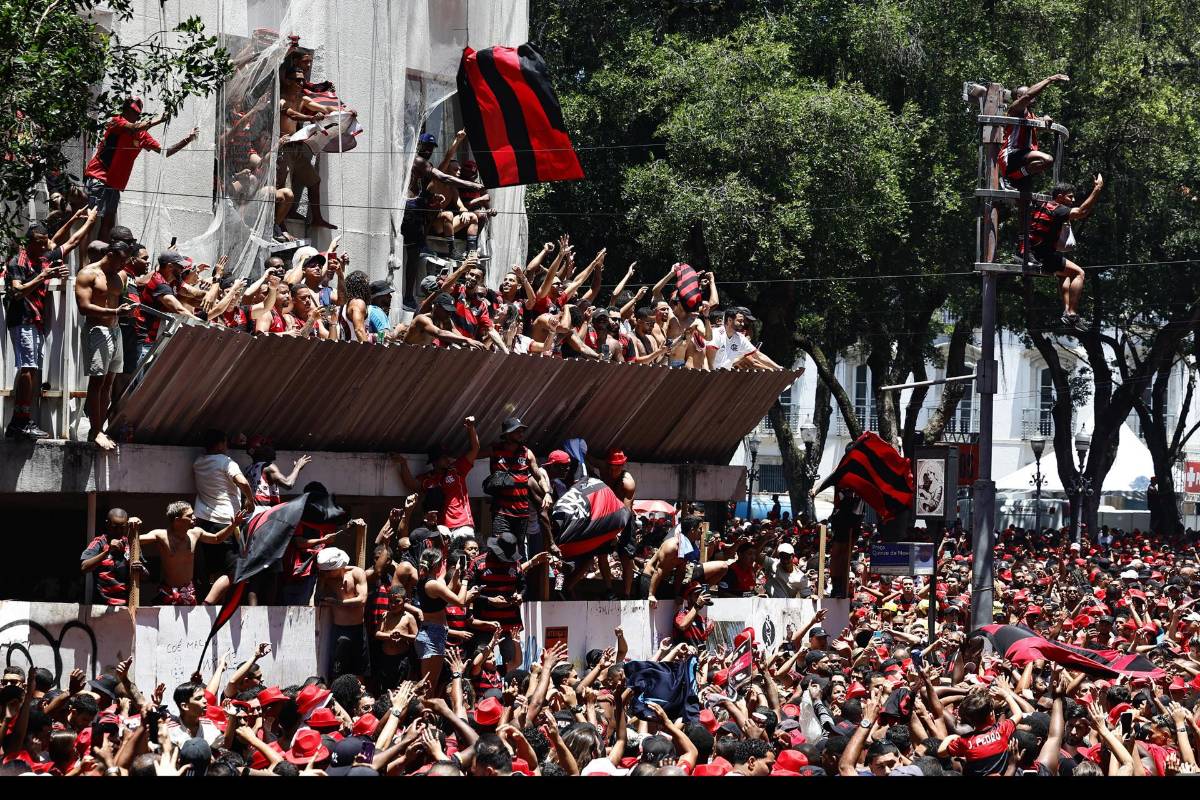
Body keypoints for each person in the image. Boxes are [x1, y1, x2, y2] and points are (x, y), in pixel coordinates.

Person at [5, 209, 98, 439]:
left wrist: (84, 221)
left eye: (44, 242)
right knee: (27, 368)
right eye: (38, 243)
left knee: (32, 369)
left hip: (35, 322)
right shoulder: (19, 261)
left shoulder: (45, 256)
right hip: (23, 319)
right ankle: (19, 421)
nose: (44, 246)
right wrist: (43, 277)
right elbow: (17, 291)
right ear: (29, 243)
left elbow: (72, 241)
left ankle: (22, 419)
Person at [84, 97, 199, 242]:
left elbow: (166, 152)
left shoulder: (142, 135)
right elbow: (133, 128)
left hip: (115, 184)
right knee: (90, 222)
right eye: (132, 111)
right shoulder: (117, 121)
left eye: (137, 113)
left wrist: (188, 139)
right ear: (124, 110)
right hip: (99, 176)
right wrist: (159, 120)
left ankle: (98, 260)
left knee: (108, 224)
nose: (134, 115)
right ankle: (84, 263)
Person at [74, 239, 137, 451]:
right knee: (97, 382)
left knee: (109, 382)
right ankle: (94, 430)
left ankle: (100, 427)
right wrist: (115, 312)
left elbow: (116, 301)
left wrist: (124, 308)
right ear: (110, 254)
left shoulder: (120, 276)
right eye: (122, 260)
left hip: (115, 330)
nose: (124, 264)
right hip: (97, 330)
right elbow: (84, 308)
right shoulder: (88, 273)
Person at [1018, 176, 1105, 327]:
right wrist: (1097, 189)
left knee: (1064, 273)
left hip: (1028, 251)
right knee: (1079, 273)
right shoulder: (1058, 210)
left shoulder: (1042, 204)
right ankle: (1072, 313)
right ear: (1059, 197)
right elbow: (1081, 212)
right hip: (1041, 257)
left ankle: (1067, 311)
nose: (1072, 200)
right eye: (1069, 197)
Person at [137, 502, 247, 606]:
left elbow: (217, 538)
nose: (194, 517)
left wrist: (234, 525)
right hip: (168, 592)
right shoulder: (160, 535)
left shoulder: (195, 533)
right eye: (189, 515)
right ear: (177, 520)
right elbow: (135, 541)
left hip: (189, 593)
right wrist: (132, 525)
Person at [394, 416, 479, 540]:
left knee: (464, 555)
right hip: (441, 527)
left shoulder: (457, 469)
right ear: (434, 462)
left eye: (447, 456)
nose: (447, 459)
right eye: (443, 457)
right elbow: (411, 484)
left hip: (463, 524)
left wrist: (471, 428)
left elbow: (475, 449)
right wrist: (403, 463)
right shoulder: (429, 479)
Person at [192, 429, 254, 595]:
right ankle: (210, 601)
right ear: (220, 444)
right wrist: (250, 500)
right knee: (235, 569)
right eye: (225, 443)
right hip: (226, 521)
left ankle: (212, 605)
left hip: (205, 521)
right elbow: (243, 482)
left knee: (213, 569)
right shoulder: (226, 462)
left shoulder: (197, 463)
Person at [414, 548, 479, 689]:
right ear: (437, 565)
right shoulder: (433, 584)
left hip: (432, 633)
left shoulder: (426, 581)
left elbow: (447, 590)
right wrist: (466, 580)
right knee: (428, 686)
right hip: (432, 634)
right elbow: (460, 601)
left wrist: (456, 574)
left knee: (429, 685)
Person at [315, 547, 370, 680]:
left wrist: (338, 602)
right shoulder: (325, 579)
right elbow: (318, 600)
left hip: (358, 629)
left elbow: (362, 599)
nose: (326, 574)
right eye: (324, 572)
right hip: (339, 630)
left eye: (329, 571)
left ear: (338, 566)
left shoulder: (356, 573)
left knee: (359, 670)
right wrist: (322, 583)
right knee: (338, 671)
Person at [80, 508, 148, 606]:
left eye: (122, 527)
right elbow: (84, 567)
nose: (119, 531)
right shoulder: (99, 542)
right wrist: (107, 551)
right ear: (107, 524)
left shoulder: (131, 544)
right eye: (115, 527)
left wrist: (140, 569)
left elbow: (146, 577)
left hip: (127, 606)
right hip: (102, 606)